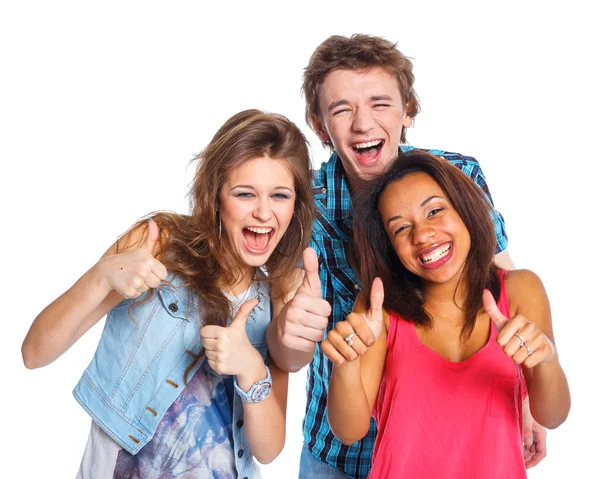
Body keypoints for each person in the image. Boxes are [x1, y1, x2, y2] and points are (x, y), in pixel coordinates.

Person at [265, 34, 547, 478]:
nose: (362, 124)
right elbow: (288, 353)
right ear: (320, 126)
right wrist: (289, 330)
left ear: (407, 111)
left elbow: (499, 289)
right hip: (340, 450)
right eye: (341, 109)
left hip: (447, 447)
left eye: (380, 103)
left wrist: (528, 393)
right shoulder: (300, 207)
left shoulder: (457, 177)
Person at [21, 109, 314, 479]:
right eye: (244, 194)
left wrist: (251, 368)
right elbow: (34, 353)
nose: (263, 212)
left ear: (296, 206)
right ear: (217, 195)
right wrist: (100, 277)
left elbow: (268, 450)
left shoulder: (280, 292)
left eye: (280, 196)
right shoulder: (157, 244)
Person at [321, 150, 570, 478]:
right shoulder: (380, 306)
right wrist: (347, 365)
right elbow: (349, 430)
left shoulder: (522, 289)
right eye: (400, 229)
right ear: (390, 249)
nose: (422, 235)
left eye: (435, 211)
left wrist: (547, 360)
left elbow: (552, 415)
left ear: (464, 208)